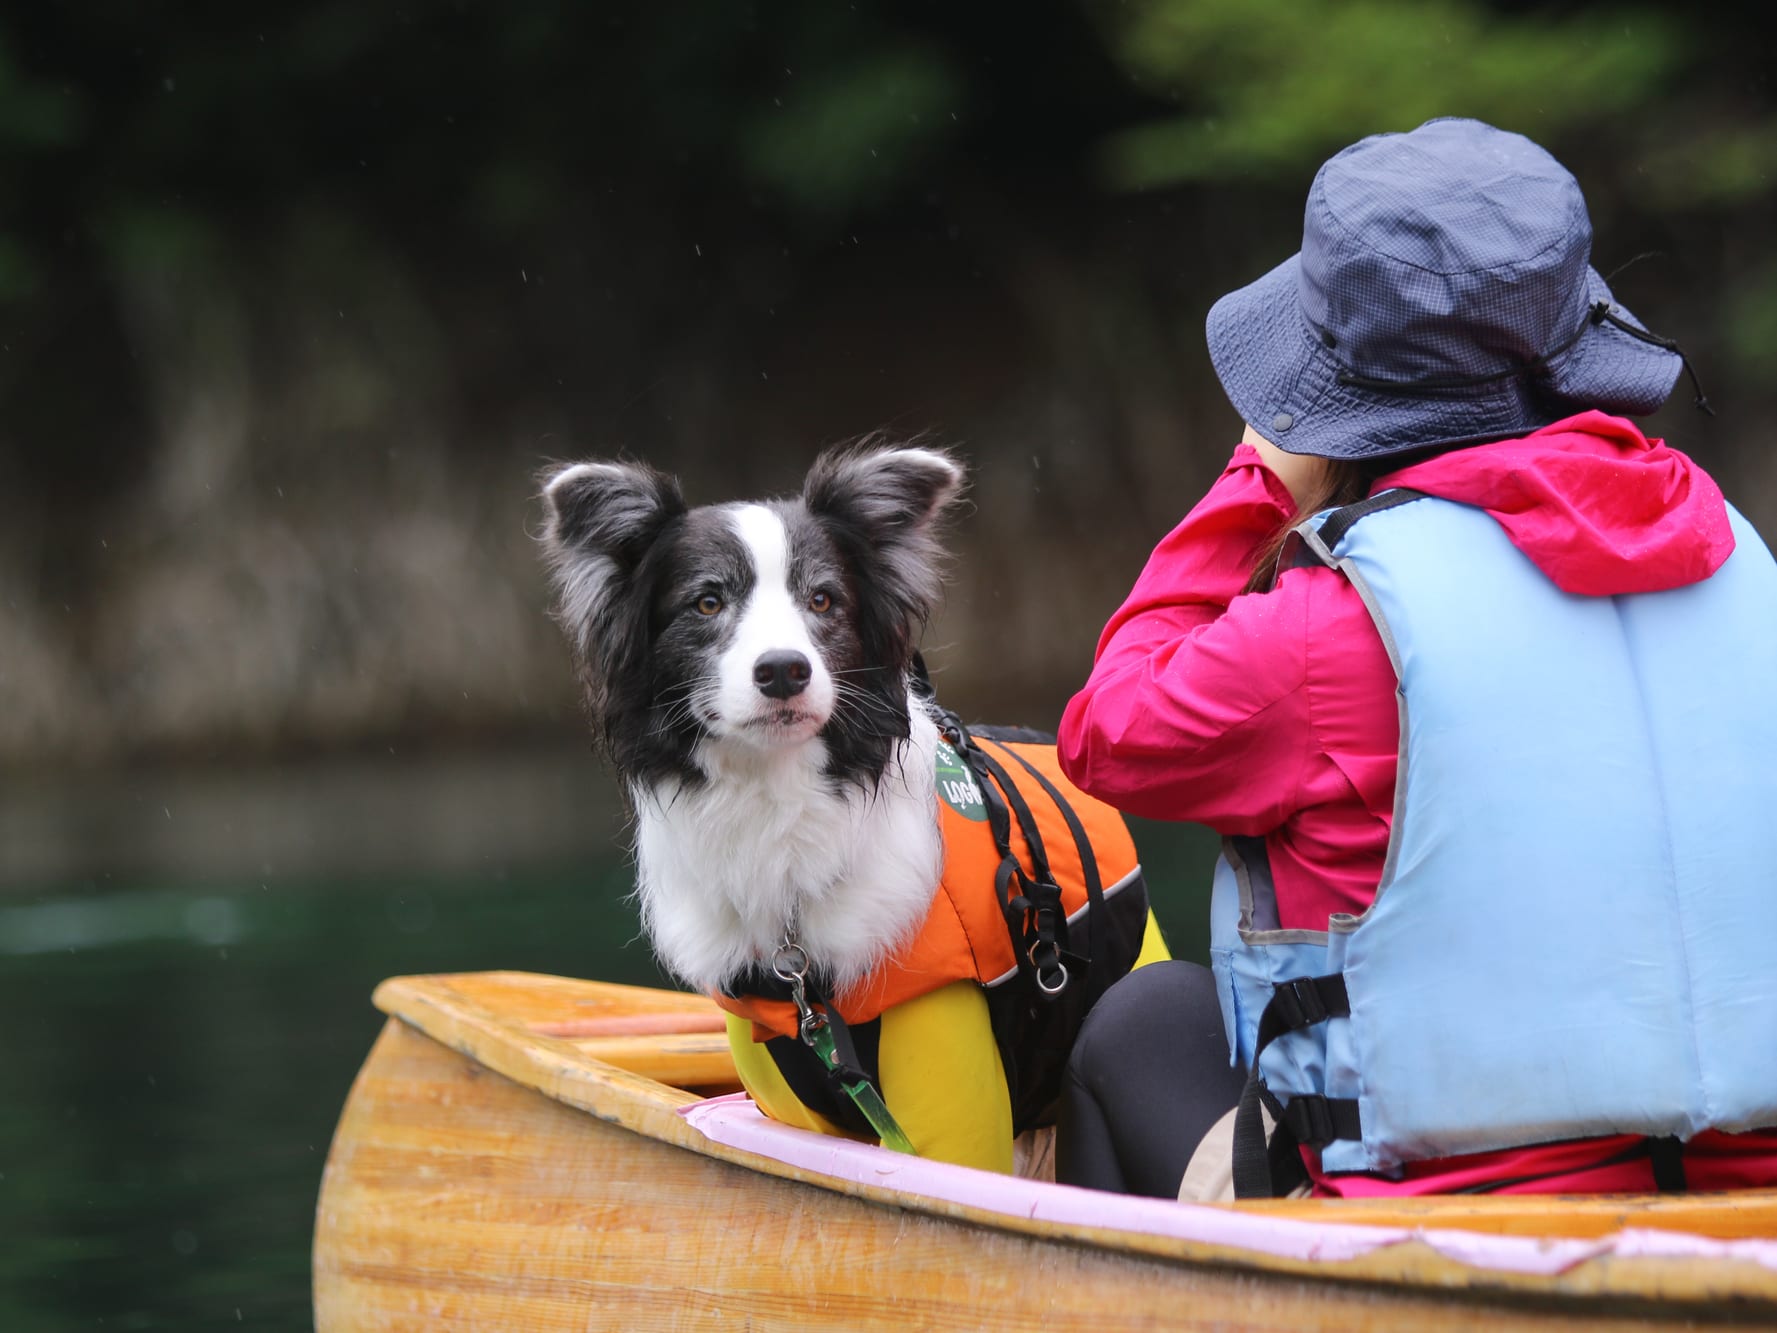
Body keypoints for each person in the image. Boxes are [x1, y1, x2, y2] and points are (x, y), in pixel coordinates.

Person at [1052, 117, 1777, 1201]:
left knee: (1142, 1019)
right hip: (1739, 1217)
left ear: (1341, 398)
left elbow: (1106, 734)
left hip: (1445, 1229)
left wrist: (1254, 485)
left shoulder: (1324, 630)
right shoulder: (1740, 563)